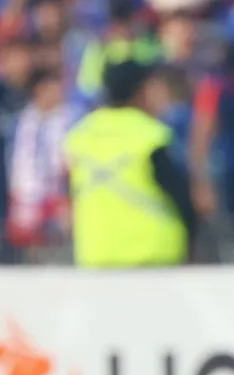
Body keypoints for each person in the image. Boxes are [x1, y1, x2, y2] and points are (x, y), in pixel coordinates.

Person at [64, 60, 196, 267]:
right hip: (154, 254)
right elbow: (181, 197)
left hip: (96, 257)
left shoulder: (79, 136)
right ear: (141, 91)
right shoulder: (152, 135)